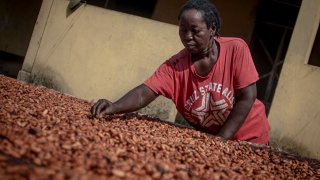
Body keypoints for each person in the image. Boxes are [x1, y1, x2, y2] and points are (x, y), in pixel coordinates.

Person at [91, 0, 270, 145]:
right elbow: (144, 92)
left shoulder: (235, 49)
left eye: (195, 30)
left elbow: (248, 96)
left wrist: (219, 141)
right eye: (183, 30)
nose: (187, 36)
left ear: (212, 29)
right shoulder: (175, 66)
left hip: (251, 137)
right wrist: (115, 107)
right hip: (214, 143)